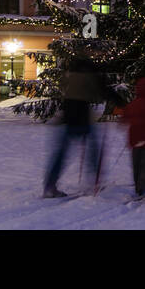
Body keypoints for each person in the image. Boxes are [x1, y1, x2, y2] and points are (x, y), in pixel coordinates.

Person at [43, 57, 107, 198]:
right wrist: (120, 103)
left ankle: (50, 185)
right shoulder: (89, 76)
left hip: (68, 116)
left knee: (61, 153)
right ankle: (95, 183)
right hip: (82, 117)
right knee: (93, 150)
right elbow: (104, 90)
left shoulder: (70, 77)